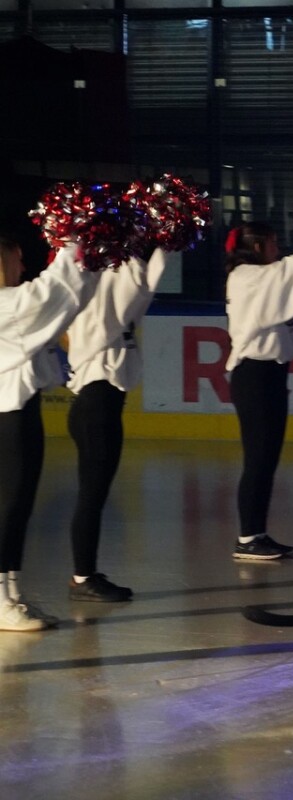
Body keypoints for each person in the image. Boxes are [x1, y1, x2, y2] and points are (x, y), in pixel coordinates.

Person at [0, 236, 98, 630]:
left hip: (19, 410)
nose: (23, 268)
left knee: (18, 506)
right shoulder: (6, 304)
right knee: (7, 506)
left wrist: (87, 259)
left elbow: (64, 299)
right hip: (6, 415)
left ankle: (10, 595)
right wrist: (74, 241)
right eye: (17, 259)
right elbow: (51, 294)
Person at [225, 222, 293, 560]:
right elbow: (289, 273)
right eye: (272, 241)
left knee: (267, 459)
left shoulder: (265, 279)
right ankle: (247, 537)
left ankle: (256, 533)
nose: (278, 247)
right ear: (256, 246)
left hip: (271, 374)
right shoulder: (245, 276)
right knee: (258, 459)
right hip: (253, 375)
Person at [64, 247, 168, 599]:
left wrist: (160, 248)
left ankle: (85, 574)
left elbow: (141, 288)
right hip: (96, 407)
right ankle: (82, 577)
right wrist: (148, 248)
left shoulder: (106, 297)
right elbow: (135, 285)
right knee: (91, 496)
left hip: (101, 406)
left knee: (94, 495)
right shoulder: (101, 294)